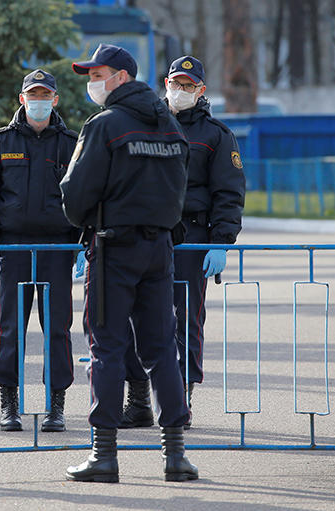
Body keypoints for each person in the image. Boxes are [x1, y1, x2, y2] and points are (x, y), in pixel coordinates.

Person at [60, 44, 198, 483]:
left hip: (113, 251)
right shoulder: (170, 126)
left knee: (107, 349)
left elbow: (75, 194)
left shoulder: (104, 126)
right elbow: (179, 192)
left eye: (97, 73)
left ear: (121, 77)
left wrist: (93, 221)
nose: (91, 81)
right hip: (160, 250)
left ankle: (104, 456)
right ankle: (175, 456)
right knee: (162, 350)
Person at [120, 55, 246, 430]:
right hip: (144, 234)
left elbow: (229, 192)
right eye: (175, 83)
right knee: (128, 315)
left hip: (191, 238)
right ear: (164, 83)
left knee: (185, 320)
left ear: (201, 90)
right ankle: (138, 398)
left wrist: (221, 242)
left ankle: (181, 399)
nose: (180, 90)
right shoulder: (144, 124)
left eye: (188, 85)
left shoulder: (216, 135)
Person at [0, 69, 80, 433]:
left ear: (55, 100)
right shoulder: (0, 141)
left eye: (46, 94)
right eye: (33, 94)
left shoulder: (71, 143)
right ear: (21, 99)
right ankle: (9, 403)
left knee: (57, 328)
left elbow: (86, 198)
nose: (39, 100)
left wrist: (83, 244)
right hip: (13, 249)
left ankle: (55, 405)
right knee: (11, 328)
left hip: (57, 249)